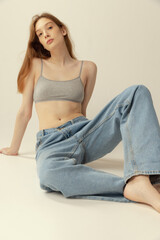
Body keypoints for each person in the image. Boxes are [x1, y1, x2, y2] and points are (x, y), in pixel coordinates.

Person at [1, 12, 160, 213]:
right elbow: (25, 112)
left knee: (137, 92)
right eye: (40, 34)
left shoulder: (88, 68)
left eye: (49, 27)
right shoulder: (34, 66)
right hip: (51, 142)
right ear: (39, 42)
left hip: (84, 133)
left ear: (63, 30)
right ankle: (132, 187)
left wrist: (92, 132)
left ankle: (147, 175)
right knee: (48, 174)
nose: (45, 35)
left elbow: (82, 109)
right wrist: (14, 148)